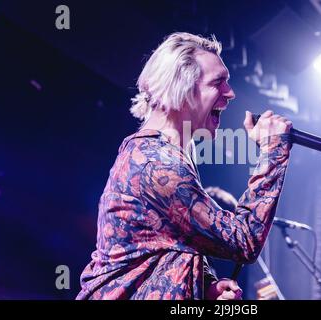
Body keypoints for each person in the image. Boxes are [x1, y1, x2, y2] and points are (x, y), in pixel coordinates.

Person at [76, 32, 292, 300]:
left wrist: (205, 288)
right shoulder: (157, 163)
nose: (231, 93)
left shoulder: (160, 154)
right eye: (218, 83)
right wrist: (273, 152)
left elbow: (157, 251)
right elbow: (244, 241)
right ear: (181, 88)